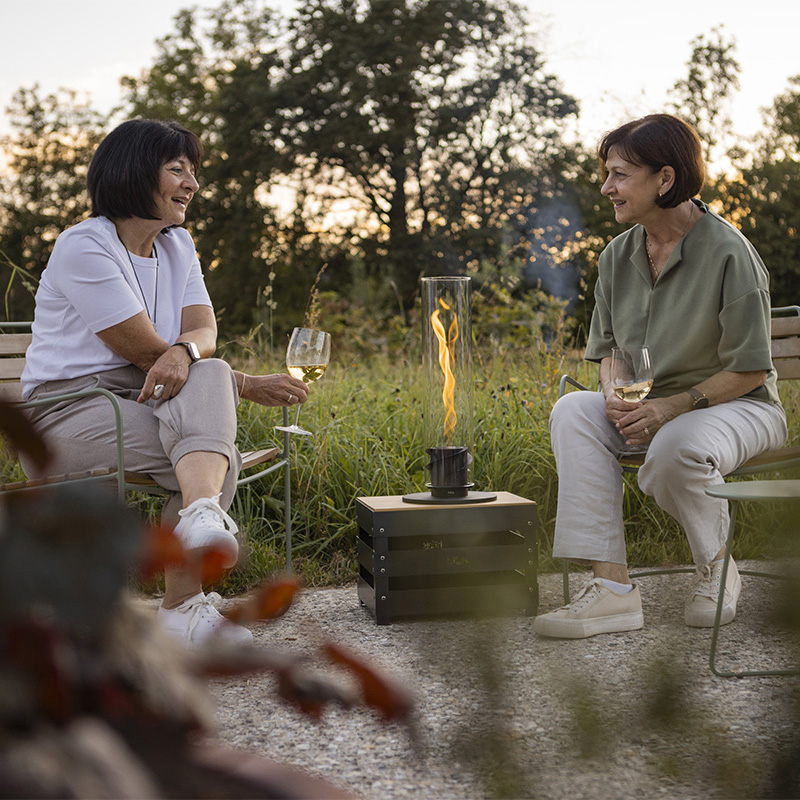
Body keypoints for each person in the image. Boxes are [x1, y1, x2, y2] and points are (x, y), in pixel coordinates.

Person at [19, 118, 309, 649]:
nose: (192, 184)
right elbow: (140, 350)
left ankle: (196, 533)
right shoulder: (82, 246)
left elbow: (203, 333)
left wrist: (191, 353)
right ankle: (183, 604)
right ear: (132, 172)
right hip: (67, 413)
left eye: (193, 171)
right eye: (176, 169)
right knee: (213, 454)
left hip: (144, 398)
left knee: (209, 382)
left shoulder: (178, 245)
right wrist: (230, 379)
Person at [534, 114, 787, 639]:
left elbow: (751, 367)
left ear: (665, 179)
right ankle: (611, 591)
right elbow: (609, 352)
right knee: (573, 411)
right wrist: (612, 395)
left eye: (620, 174)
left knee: (675, 444)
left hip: (739, 407)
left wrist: (672, 407)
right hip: (656, 406)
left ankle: (717, 567)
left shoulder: (729, 252)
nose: (607, 188)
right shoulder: (616, 257)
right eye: (607, 174)